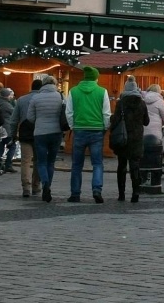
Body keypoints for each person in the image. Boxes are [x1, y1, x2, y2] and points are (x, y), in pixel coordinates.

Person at [67, 66, 111, 204]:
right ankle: (97, 189)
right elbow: (106, 113)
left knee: (76, 164)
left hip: (79, 129)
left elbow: (69, 112)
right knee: (97, 163)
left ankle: (75, 193)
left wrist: (73, 126)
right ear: (96, 78)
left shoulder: (73, 91)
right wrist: (105, 127)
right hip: (97, 129)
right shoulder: (102, 91)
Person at [111, 76, 149, 203]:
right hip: (136, 139)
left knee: (121, 166)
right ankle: (135, 193)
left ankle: (121, 194)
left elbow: (115, 121)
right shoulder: (142, 103)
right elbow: (146, 121)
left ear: (125, 89)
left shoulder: (121, 103)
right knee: (135, 166)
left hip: (123, 139)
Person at [29, 74, 66, 202]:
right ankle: (48, 185)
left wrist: (39, 121)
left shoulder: (36, 97)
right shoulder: (61, 96)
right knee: (51, 162)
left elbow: (30, 117)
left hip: (40, 132)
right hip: (56, 132)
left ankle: (44, 183)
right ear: (55, 84)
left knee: (41, 162)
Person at [12, 78, 42, 199]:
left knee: (25, 161)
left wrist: (13, 134)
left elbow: (14, 119)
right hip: (40, 132)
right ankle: (36, 186)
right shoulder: (42, 99)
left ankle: (26, 187)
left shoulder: (21, 99)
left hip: (25, 133)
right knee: (38, 161)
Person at [142, 82, 164, 194]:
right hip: (155, 133)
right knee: (156, 155)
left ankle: (144, 177)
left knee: (144, 155)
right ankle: (155, 179)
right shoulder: (160, 101)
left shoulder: (143, 99)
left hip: (143, 131)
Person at [0, 87, 18, 174]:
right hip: (7, 128)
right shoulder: (6, 105)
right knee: (12, 146)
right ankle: (8, 165)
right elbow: (14, 113)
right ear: (6, 96)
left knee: (0, 147)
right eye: (9, 95)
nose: (11, 97)